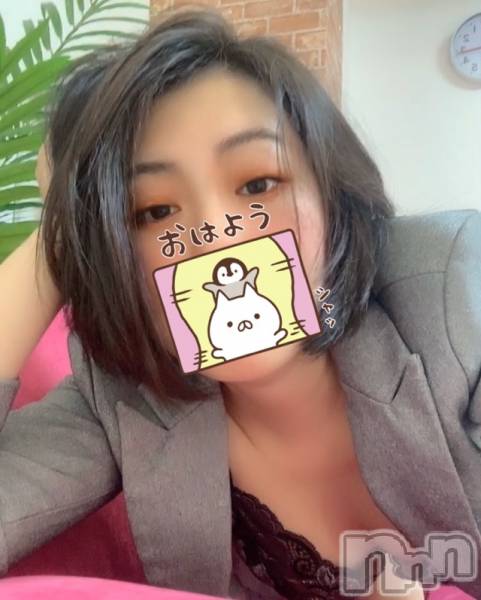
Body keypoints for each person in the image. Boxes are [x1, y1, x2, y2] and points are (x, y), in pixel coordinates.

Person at [0, 7, 480, 600]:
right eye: (153, 211)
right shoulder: (123, 398)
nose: (217, 237)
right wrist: (59, 236)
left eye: (258, 184)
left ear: (333, 196)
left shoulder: (458, 297)